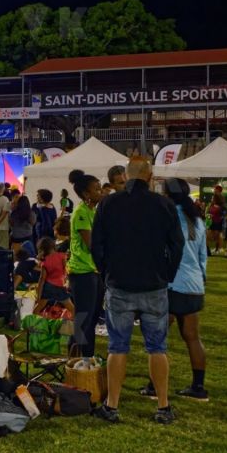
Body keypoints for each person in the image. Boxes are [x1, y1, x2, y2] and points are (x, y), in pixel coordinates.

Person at [90, 158, 184, 425]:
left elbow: (96, 245)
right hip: (154, 284)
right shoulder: (163, 204)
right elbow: (177, 245)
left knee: (118, 346)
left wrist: (106, 271)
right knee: (157, 348)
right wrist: (168, 273)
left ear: (126, 176)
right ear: (150, 176)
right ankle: (163, 406)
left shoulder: (108, 204)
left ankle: (113, 405)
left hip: (119, 283)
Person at [141, 178, 209, 402]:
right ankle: (198, 387)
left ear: (168, 196)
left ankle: (154, 386)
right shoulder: (197, 220)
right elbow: (202, 256)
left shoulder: (167, 217)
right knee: (192, 337)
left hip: (171, 284)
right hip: (194, 285)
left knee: (158, 338)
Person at [66, 170, 103, 366]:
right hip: (82, 272)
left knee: (92, 318)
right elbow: (91, 244)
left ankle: (88, 357)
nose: (101, 192)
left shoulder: (93, 211)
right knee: (83, 318)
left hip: (94, 271)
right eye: (97, 189)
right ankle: (74, 358)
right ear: (87, 194)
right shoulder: (81, 213)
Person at [35, 237, 75, 317]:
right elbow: (66, 270)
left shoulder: (44, 262)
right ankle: (74, 325)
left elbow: (42, 279)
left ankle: (32, 324)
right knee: (72, 309)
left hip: (48, 287)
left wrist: (38, 296)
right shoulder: (62, 256)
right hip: (60, 287)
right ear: (54, 246)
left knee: (38, 308)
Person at [207, 186, 226, 254]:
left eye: (215, 189)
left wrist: (221, 216)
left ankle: (218, 249)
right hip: (212, 221)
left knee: (218, 235)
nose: (214, 190)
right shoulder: (213, 203)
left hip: (217, 221)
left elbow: (225, 210)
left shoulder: (221, 198)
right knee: (211, 235)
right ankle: (214, 249)